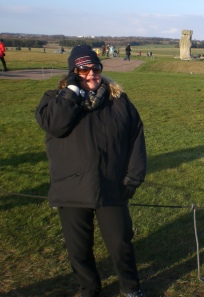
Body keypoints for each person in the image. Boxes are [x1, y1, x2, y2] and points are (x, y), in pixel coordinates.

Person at [35, 45, 147, 297]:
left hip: (111, 185)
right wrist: (72, 92)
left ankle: (131, 288)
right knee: (79, 249)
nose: (91, 74)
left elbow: (136, 139)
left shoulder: (119, 101)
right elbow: (55, 125)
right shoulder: (54, 99)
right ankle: (89, 290)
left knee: (120, 244)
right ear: (73, 72)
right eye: (83, 69)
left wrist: (132, 179)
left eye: (95, 68)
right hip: (71, 186)